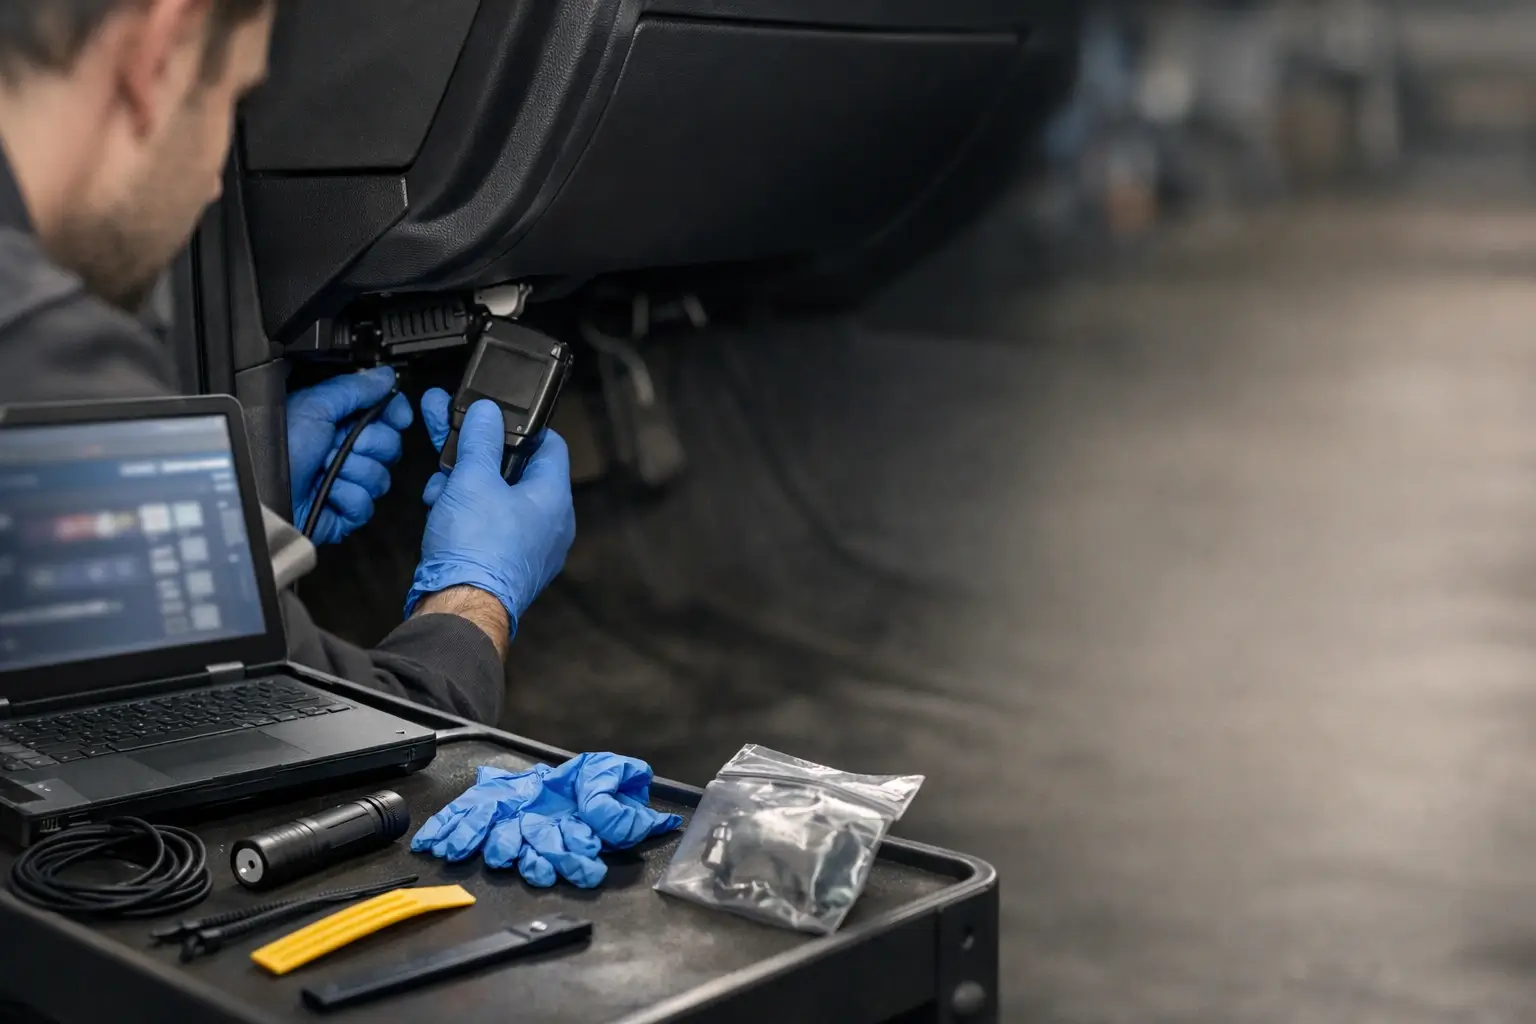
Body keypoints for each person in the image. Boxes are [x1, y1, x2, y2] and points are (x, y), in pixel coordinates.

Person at [0, 0, 576, 724]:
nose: (215, 185)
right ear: (160, 52)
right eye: (231, 104)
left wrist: (235, 521)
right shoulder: (43, 360)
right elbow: (350, 740)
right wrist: (477, 588)